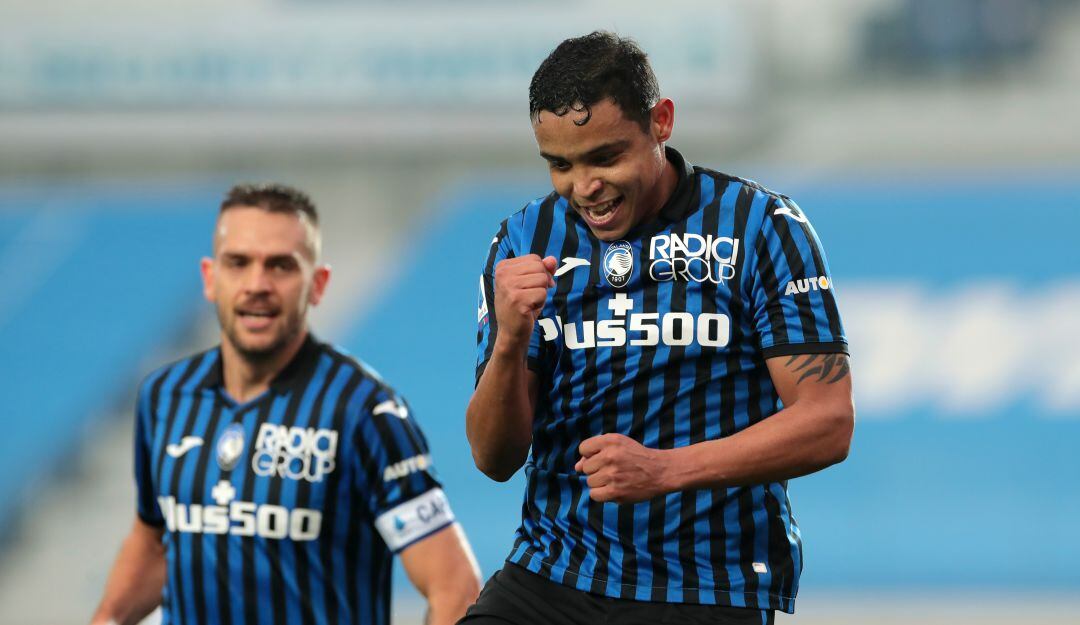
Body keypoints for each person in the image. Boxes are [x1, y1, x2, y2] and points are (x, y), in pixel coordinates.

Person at [464, 32, 854, 625]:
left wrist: (665, 471)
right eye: (561, 166)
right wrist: (512, 342)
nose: (584, 188)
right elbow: (493, 458)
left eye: (605, 157)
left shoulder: (760, 228)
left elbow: (828, 422)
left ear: (662, 122)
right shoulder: (523, 241)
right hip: (552, 573)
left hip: (707, 587)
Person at [92, 184, 481, 625]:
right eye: (238, 263)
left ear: (318, 285)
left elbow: (456, 587)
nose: (257, 285)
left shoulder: (363, 411)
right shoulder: (165, 396)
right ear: (209, 277)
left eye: (280, 266)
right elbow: (154, 539)